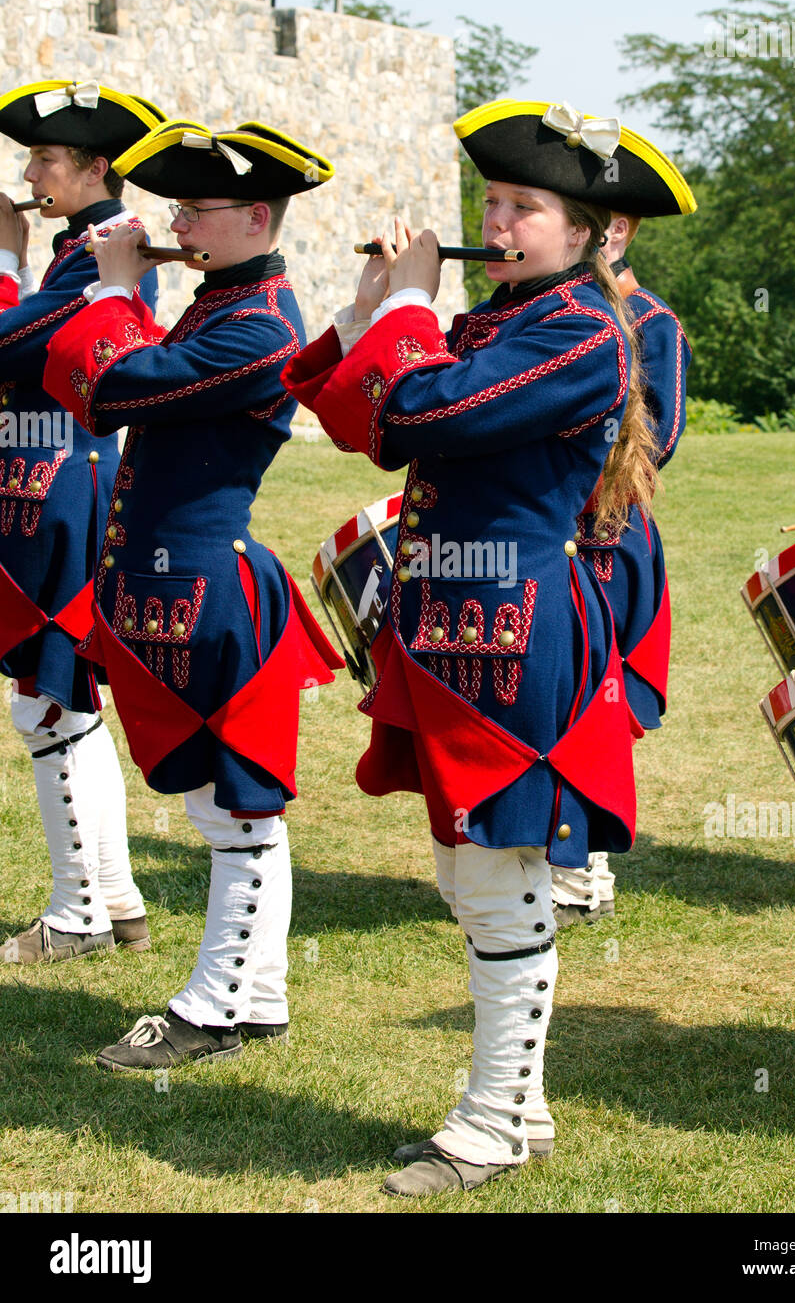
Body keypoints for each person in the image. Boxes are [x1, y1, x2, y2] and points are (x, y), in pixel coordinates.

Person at [281, 98, 694, 1197]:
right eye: (494, 202)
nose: (497, 223)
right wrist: (370, 307)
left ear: (584, 232)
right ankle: (522, 1106)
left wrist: (409, 309)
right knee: (466, 869)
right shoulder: (499, 320)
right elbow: (357, 420)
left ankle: (494, 1121)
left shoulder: (581, 333)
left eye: (525, 208)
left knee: (498, 874)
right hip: (452, 629)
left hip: (516, 633)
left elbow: (421, 416)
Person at [42, 118, 343, 1067]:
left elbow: (108, 390)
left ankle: (217, 1007)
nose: (176, 224)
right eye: (176, 208)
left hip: (209, 589)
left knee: (236, 808)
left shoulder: (259, 327)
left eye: (196, 210)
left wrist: (115, 288)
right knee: (223, 805)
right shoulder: (221, 305)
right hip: (166, 585)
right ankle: (258, 995)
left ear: (257, 217)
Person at [0, 80, 164, 964]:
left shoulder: (105, 250)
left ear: (95, 167)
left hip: (60, 488)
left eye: (44, 160)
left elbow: (13, 343)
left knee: (50, 701)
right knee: (60, 704)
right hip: (41, 483)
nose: (30, 176)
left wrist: (4, 261)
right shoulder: (80, 249)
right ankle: (114, 899)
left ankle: (77, 914)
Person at [550, 174, 696, 926]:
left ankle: (582, 873)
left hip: (605, 540)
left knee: (594, 703)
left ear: (617, 231)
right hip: (540, 538)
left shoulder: (650, 321)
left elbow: (655, 442)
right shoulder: (546, 309)